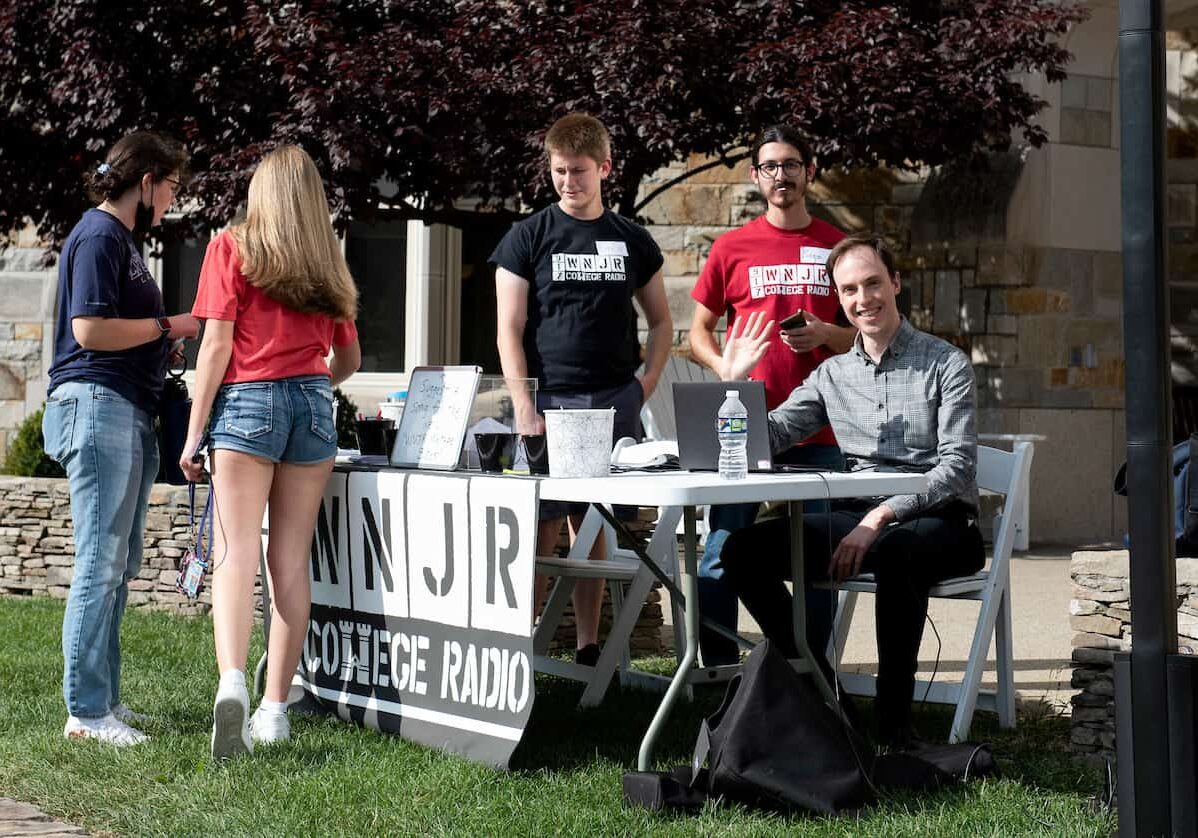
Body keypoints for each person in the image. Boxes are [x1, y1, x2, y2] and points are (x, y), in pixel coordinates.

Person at [717, 233, 984, 746]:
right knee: (742, 549)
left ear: (896, 283)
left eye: (874, 283)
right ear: (838, 300)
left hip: (943, 524)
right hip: (856, 522)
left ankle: (893, 726)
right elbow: (768, 435)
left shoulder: (945, 363)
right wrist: (735, 383)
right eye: (850, 291)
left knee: (900, 549)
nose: (864, 300)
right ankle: (824, 694)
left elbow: (956, 466)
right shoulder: (831, 375)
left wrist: (879, 518)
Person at [179, 145, 361, 759]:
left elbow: (215, 348)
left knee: (235, 556)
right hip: (313, 405)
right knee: (290, 562)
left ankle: (233, 682)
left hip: (246, 405)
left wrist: (193, 430)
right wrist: (309, 388)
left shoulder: (230, 247)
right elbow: (352, 361)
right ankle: (275, 709)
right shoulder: (328, 263)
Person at [491, 113, 673, 666]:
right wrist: (524, 405)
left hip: (614, 398)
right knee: (542, 520)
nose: (568, 182)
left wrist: (645, 386)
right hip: (548, 399)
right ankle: (522, 646)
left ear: (604, 169)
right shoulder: (527, 236)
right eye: (559, 172)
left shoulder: (631, 240)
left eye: (579, 172)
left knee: (593, 520)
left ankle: (589, 646)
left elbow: (663, 322)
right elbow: (508, 327)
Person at [43, 131, 199, 745]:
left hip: (124, 406)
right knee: (100, 562)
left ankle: (103, 702)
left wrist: (161, 339)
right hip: (97, 402)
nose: (172, 201)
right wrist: (170, 323)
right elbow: (89, 330)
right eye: (172, 188)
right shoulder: (101, 234)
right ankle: (85, 713)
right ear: (148, 180)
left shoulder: (121, 240)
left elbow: (118, 327)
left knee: (117, 564)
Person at [688, 125, 854, 665]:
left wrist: (828, 335)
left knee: (817, 558)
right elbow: (697, 334)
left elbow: (871, 334)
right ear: (757, 177)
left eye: (791, 164)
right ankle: (717, 666)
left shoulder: (836, 247)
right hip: (743, 425)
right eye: (770, 167)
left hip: (822, 426)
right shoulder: (732, 248)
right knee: (719, 550)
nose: (781, 175)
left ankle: (809, 668)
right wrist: (727, 368)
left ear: (810, 170)